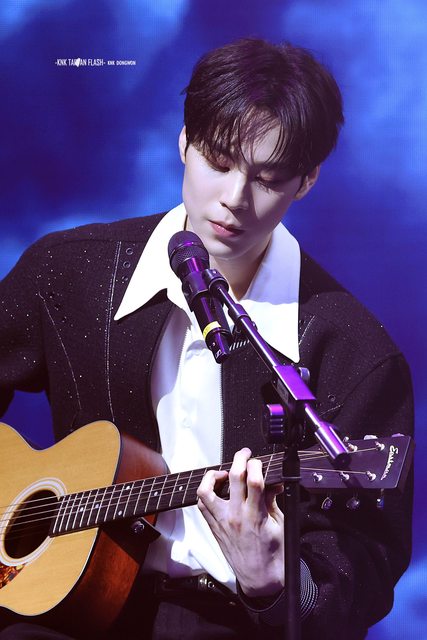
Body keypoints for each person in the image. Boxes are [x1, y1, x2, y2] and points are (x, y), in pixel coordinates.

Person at [0, 38, 413, 640]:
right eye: (218, 161)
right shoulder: (71, 271)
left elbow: (365, 573)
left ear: (306, 181)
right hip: (61, 609)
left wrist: (273, 578)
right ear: (184, 142)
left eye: (268, 179)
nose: (234, 200)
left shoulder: (354, 351)